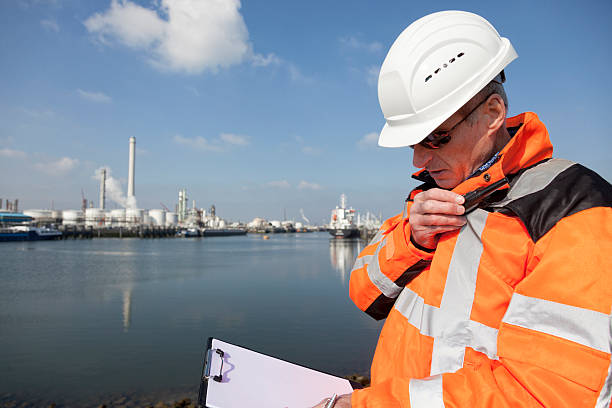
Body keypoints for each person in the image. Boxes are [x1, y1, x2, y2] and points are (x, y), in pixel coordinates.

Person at [313, 10, 612, 408]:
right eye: (413, 144)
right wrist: (412, 239)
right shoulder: (434, 197)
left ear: (492, 114)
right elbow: (364, 293)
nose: (418, 160)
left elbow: (547, 394)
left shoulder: (572, 211)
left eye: (436, 137)